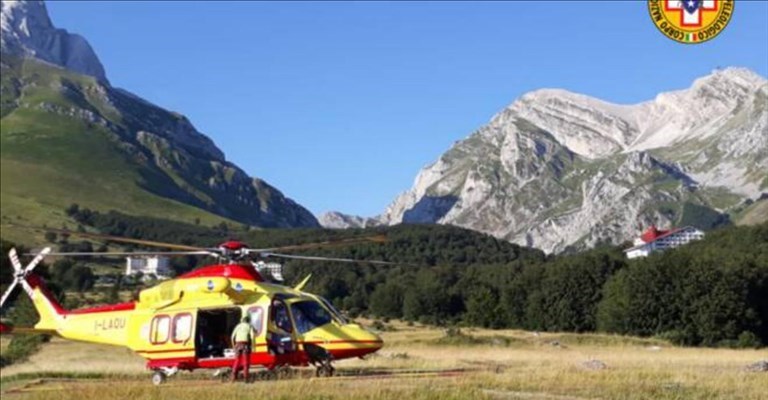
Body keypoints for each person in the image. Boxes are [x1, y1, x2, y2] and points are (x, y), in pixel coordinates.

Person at [230, 315, 255, 382]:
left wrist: (233, 346)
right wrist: (253, 346)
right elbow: (252, 337)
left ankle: (233, 377)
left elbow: (232, 337)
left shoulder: (238, 326)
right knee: (245, 361)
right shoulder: (249, 326)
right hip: (245, 344)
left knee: (237, 360)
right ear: (248, 320)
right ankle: (246, 378)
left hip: (237, 344)